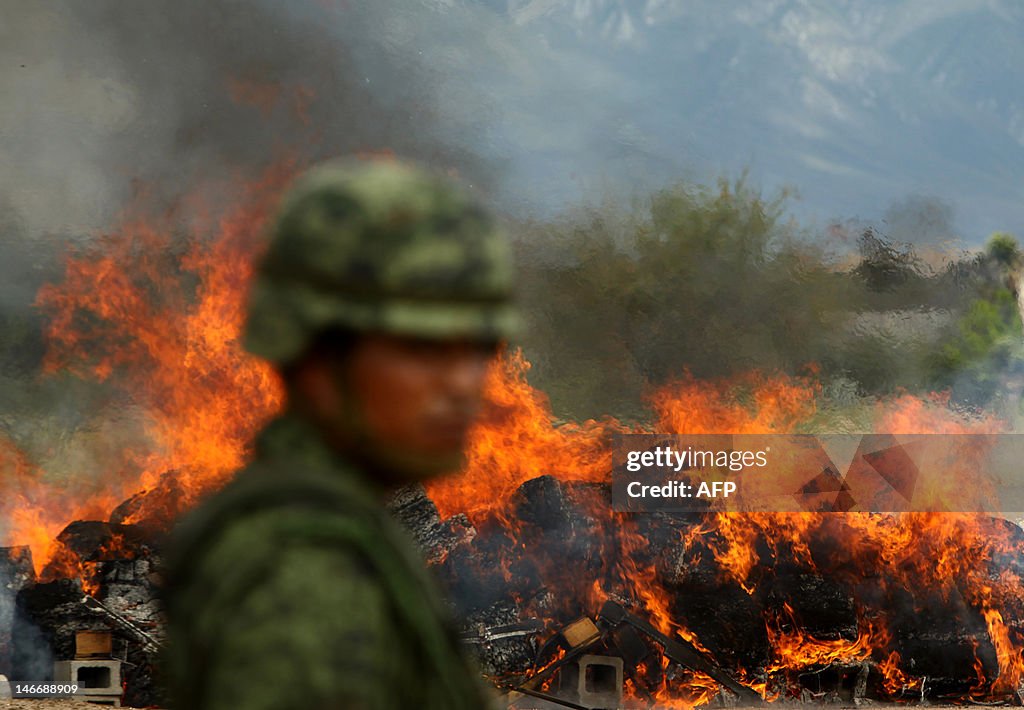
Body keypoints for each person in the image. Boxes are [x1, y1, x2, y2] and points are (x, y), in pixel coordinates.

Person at [161, 158, 518, 709]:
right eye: (421, 349)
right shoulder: (301, 573)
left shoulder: (345, 531)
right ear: (317, 361)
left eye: (478, 350)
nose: (464, 384)